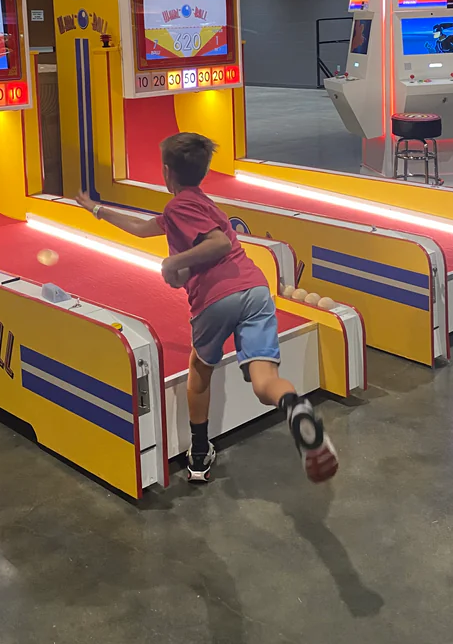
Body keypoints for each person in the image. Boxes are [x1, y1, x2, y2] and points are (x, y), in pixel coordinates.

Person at [76, 132, 338, 485]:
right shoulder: (202, 204)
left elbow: (214, 244)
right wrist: (96, 209)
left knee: (199, 372)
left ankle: (199, 454)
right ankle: (295, 406)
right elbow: (141, 228)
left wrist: (174, 263)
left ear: (167, 172)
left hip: (216, 297)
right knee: (265, 382)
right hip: (255, 289)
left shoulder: (179, 206)